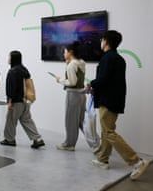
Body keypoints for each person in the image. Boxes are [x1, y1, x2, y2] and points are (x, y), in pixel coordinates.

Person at [87, 30, 148, 180]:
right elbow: (111, 82)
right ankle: (103, 159)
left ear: (106, 41)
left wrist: (91, 85)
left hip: (108, 101)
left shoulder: (108, 58)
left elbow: (103, 79)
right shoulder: (118, 58)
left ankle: (137, 161)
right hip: (113, 99)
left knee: (109, 132)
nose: (101, 42)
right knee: (106, 131)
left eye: (102, 39)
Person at [1, 50, 45, 149]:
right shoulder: (24, 69)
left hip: (16, 101)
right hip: (26, 100)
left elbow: (11, 88)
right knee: (27, 120)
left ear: (13, 58)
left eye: (9, 57)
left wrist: (10, 101)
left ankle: (9, 140)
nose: (8, 58)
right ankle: (37, 139)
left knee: (11, 120)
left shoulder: (12, 71)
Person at [55, 41, 86, 151]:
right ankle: (96, 144)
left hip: (73, 95)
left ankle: (69, 144)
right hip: (82, 94)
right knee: (82, 121)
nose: (64, 54)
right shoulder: (81, 62)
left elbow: (72, 82)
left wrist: (60, 80)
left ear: (70, 52)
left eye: (65, 51)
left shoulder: (71, 65)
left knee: (70, 121)